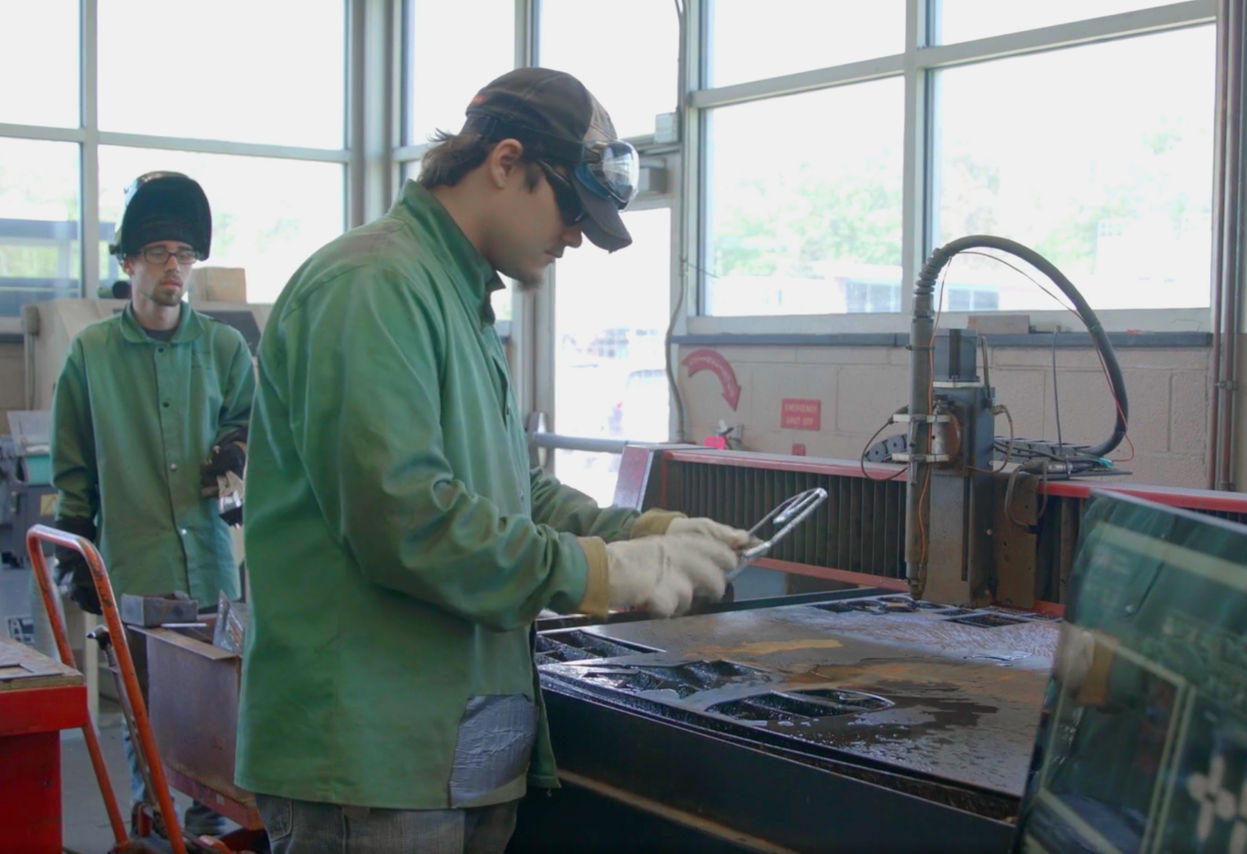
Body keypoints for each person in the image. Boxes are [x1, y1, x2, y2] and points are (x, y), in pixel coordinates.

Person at [234, 67, 754, 854]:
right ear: (505, 162)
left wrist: (647, 531)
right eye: (569, 209)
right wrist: (606, 573)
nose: (576, 236)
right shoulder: (374, 286)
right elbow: (408, 520)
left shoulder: (458, 296)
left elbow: (513, 488)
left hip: (456, 745)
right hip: (370, 757)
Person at [49, 170, 256, 835]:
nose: (176, 268)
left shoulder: (223, 348)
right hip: (134, 572)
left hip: (210, 573)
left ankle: (206, 827)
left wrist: (236, 448)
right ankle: (156, 829)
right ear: (130, 263)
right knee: (147, 724)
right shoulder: (92, 355)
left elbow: (253, 424)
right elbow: (73, 464)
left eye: (186, 255)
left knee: (219, 722)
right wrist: (77, 546)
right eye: (162, 254)